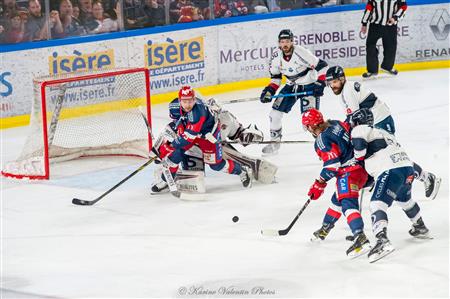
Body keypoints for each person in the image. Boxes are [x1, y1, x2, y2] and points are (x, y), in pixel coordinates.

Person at [325, 65, 441, 200]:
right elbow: (353, 119)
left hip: (380, 120)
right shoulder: (346, 90)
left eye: (334, 82)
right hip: (376, 121)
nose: (332, 86)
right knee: (381, 154)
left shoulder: (347, 90)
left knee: (392, 154)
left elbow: (354, 118)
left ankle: (427, 177)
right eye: (330, 83)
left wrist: (339, 133)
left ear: (342, 79)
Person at [350, 108, 431, 263]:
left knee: (376, 205)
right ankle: (419, 226)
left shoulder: (360, 129)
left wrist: (356, 160)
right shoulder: (383, 132)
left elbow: (359, 150)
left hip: (389, 170)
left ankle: (382, 240)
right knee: (404, 200)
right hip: (407, 168)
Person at [151, 97, 277, 193]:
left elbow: (239, 134)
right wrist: (159, 153)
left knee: (216, 165)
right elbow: (162, 145)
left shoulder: (225, 118)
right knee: (191, 176)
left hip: (211, 144)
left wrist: (249, 136)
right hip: (193, 149)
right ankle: (165, 180)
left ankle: (241, 170)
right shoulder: (179, 123)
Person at [302, 108, 370, 257]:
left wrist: (319, 184)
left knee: (347, 204)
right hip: (363, 169)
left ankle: (360, 237)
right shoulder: (336, 124)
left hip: (349, 174)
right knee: (337, 199)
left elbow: (332, 166)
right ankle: (324, 229)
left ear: (310, 126)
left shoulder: (321, 140)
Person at [260, 29, 328, 155]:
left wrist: (320, 83)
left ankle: (325, 146)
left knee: (311, 119)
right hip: (291, 85)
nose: (284, 44)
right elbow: (276, 78)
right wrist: (269, 90)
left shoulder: (301, 52)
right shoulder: (276, 56)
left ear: (292, 41)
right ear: (279, 43)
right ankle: (275, 144)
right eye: (282, 42)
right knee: (274, 114)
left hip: (309, 84)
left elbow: (323, 66)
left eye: (287, 41)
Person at [360, 0, 408, 78]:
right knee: (370, 45)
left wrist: (395, 18)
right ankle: (372, 70)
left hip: (390, 25)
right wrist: (364, 23)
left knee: (391, 46)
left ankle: (387, 66)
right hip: (375, 24)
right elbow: (369, 7)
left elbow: (403, 6)